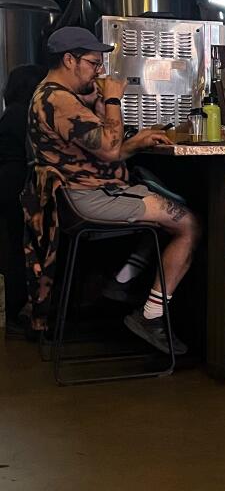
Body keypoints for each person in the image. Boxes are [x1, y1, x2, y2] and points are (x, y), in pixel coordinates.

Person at [24, 26, 199, 352]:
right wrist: (113, 97)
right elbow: (107, 148)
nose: (99, 70)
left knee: (172, 206)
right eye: (93, 63)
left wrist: (137, 141)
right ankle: (150, 316)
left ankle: (121, 283)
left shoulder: (55, 96)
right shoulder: (59, 100)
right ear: (69, 60)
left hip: (86, 194)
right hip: (87, 199)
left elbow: (111, 149)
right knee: (187, 223)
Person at [1, 64, 47, 333]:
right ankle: (22, 311)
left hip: (8, 184)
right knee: (22, 249)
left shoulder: (12, 113)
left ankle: (18, 309)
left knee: (15, 248)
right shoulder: (25, 114)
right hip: (17, 186)